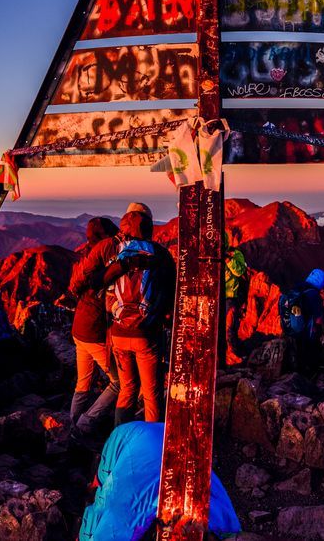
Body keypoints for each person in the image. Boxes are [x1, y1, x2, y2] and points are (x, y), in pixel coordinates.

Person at [79, 421, 241, 540]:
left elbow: (110, 513)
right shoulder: (222, 519)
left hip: (150, 443)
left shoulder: (119, 508)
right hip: (164, 438)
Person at [103, 207, 174, 423]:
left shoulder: (117, 257)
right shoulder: (160, 255)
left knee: (127, 389)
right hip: (146, 335)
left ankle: (119, 440)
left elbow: (106, 297)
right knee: (152, 395)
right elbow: (171, 294)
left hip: (118, 333)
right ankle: (152, 445)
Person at [66, 216, 121, 434]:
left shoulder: (86, 258)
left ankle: (72, 428)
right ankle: (85, 424)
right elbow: (110, 300)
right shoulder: (106, 260)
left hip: (79, 328)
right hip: (94, 331)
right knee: (120, 382)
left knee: (83, 383)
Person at [280, 269, 324, 373]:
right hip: (305, 335)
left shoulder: (297, 288)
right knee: (309, 357)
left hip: (291, 330)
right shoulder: (314, 294)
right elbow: (318, 319)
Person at [221, 234, 248, 366]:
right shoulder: (208, 254)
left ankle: (231, 356)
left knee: (229, 327)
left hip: (230, 297)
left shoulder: (235, 254)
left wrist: (227, 258)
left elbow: (240, 271)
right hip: (214, 296)